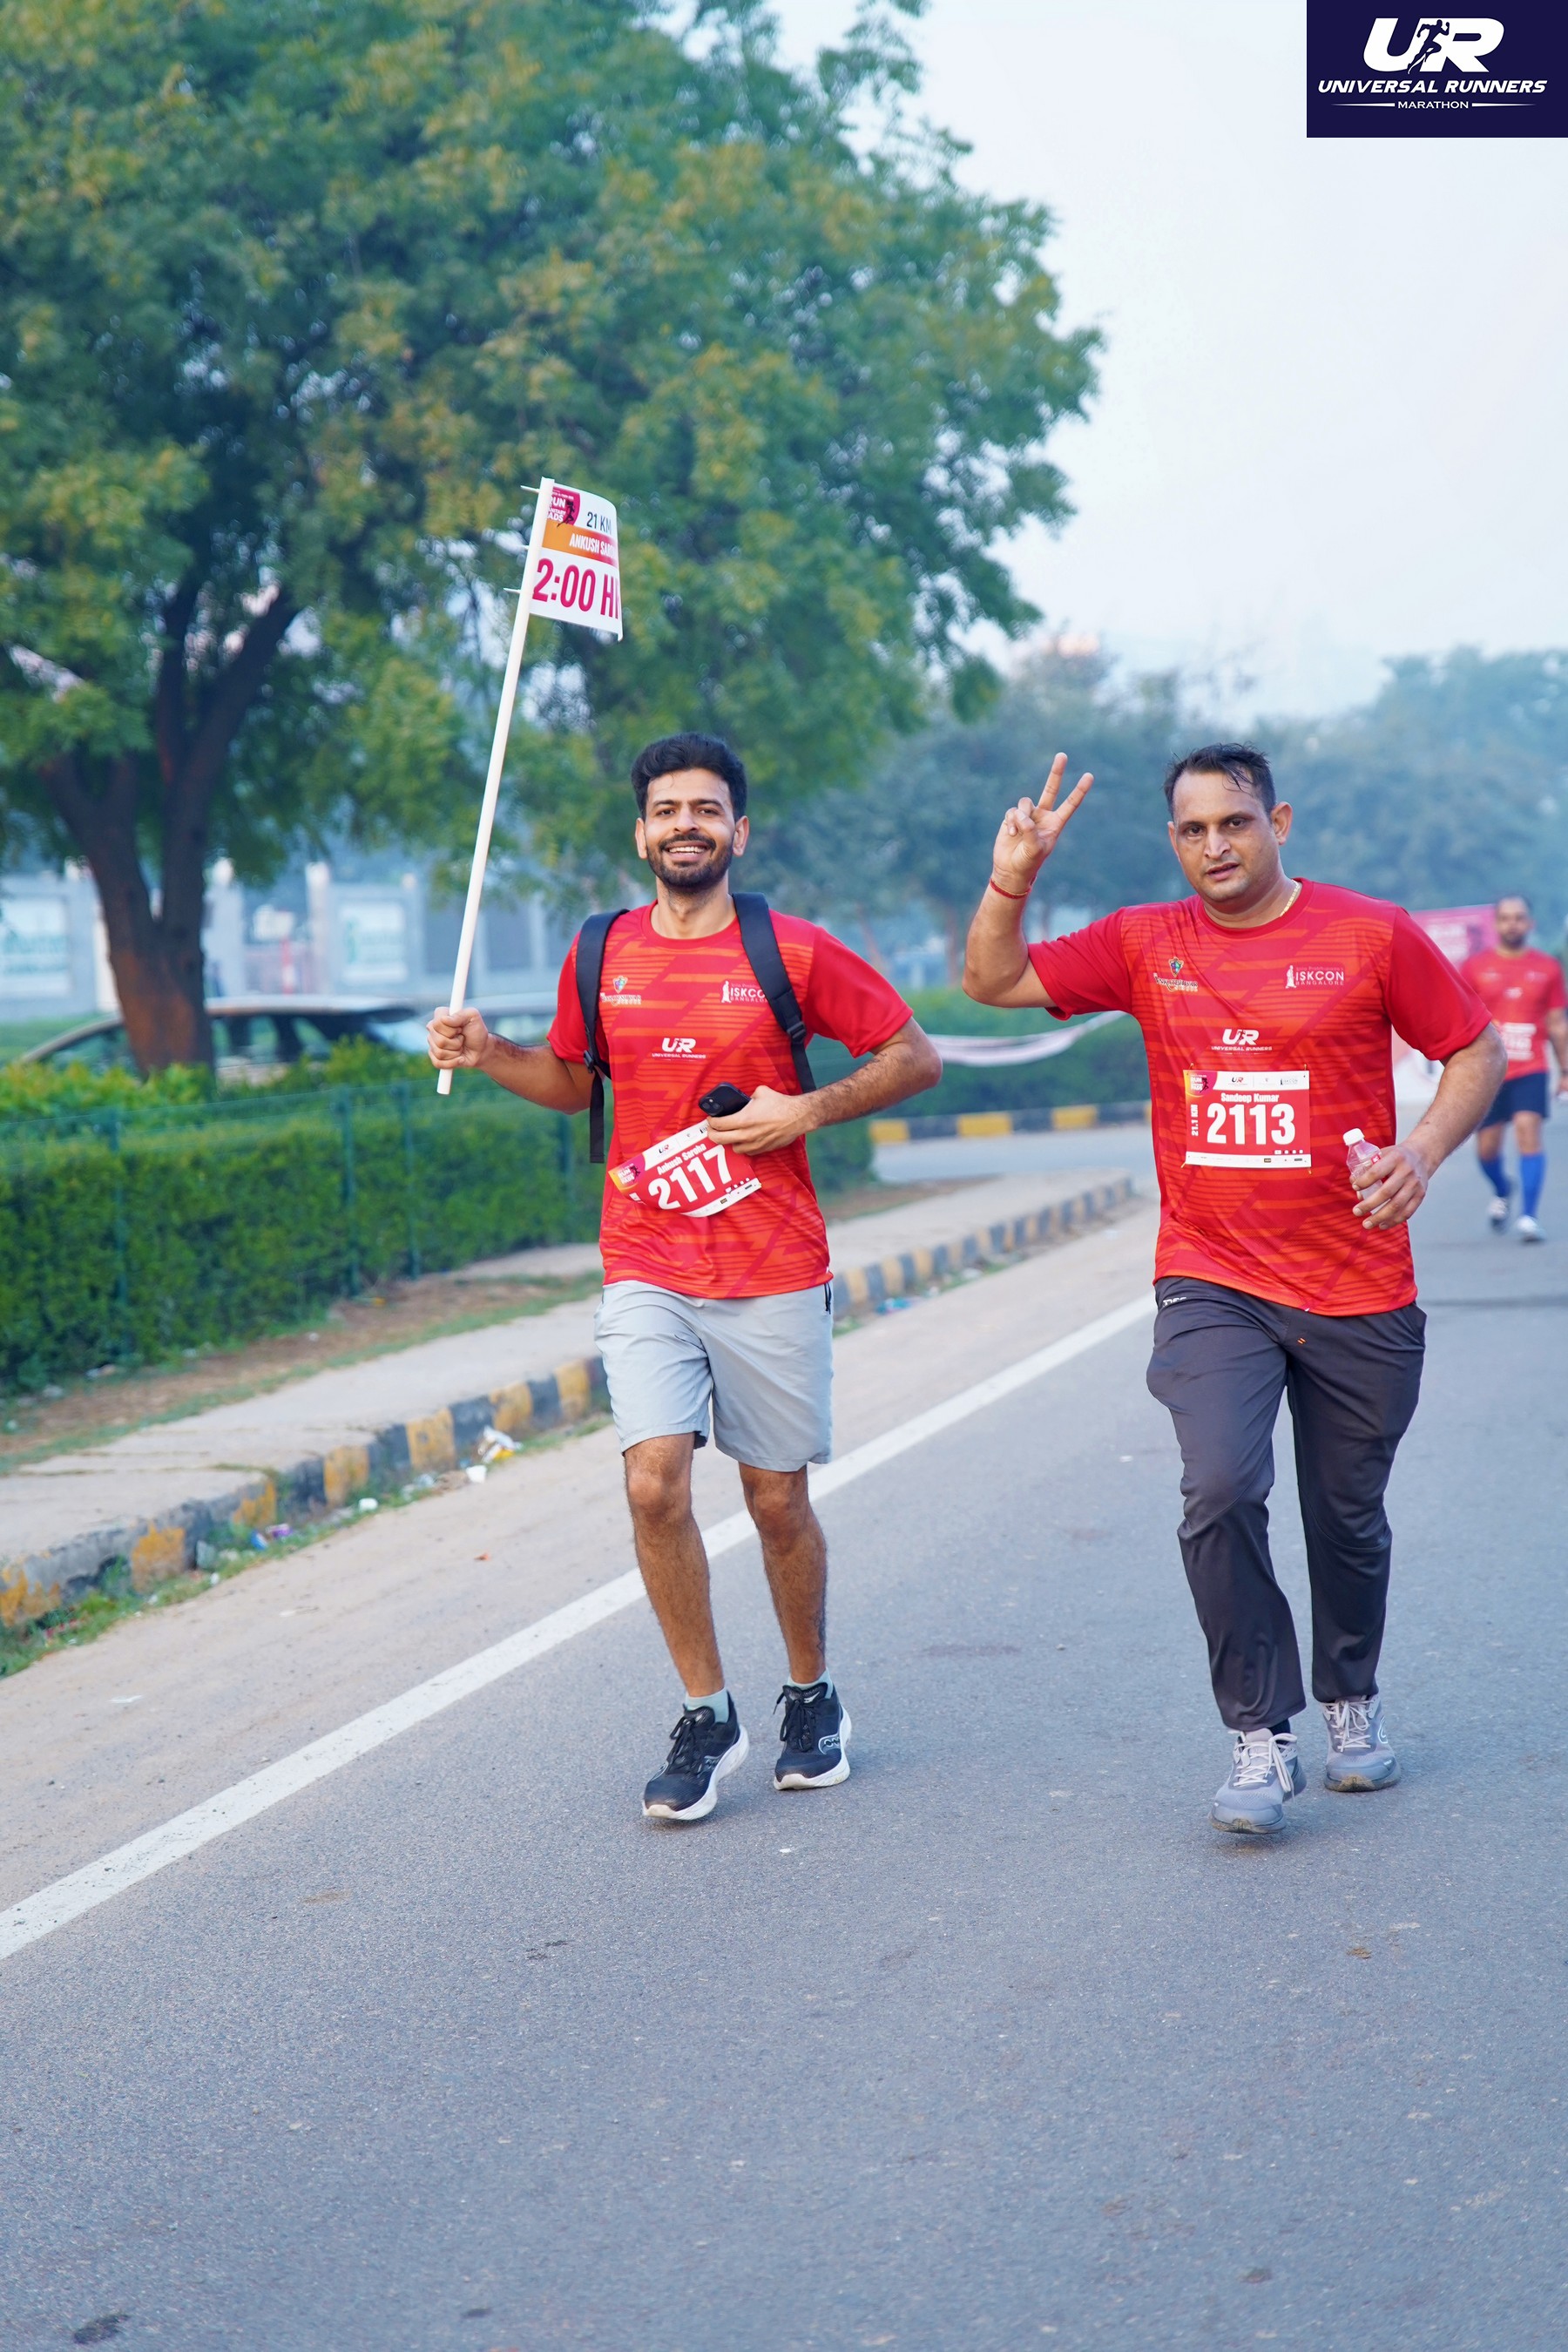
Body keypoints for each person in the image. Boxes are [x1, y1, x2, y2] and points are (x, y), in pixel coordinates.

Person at [963, 742, 1504, 1835]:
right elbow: (993, 981)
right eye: (1194, 830)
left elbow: (1476, 1052)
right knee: (1217, 1487)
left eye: (1236, 823)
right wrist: (1012, 876)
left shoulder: (1369, 934)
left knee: (1345, 1517)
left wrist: (1422, 1153)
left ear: (1279, 822)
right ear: (1175, 841)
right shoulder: (1143, 942)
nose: (1216, 846)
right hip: (1213, 1276)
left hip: (1357, 1280)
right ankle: (1261, 1733)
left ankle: (1350, 1697)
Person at [429, 733, 940, 1823]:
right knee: (653, 1483)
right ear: (641, 833)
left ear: (739, 831)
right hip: (646, 1262)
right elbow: (576, 1084)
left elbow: (914, 1056)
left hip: (772, 1265)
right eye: (667, 811)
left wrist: (805, 1111)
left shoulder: (792, 950)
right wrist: (489, 1052)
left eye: (706, 809)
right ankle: (707, 1715)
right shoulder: (600, 951)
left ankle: (811, 1695)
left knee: (776, 1501)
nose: (686, 826)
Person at [1460, 894, 1568, 1241]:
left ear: (1530, 923)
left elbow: (1557, 1023)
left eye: (1519, 917)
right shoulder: (1474, 968)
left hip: (1531, 1068)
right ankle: (1503, 1189)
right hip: (1488, 1072)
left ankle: (1529, 1217)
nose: (1513, 924)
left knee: (1527, 1130)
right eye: (1506, 918)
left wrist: (1565, 1071)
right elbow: (1461, 1021)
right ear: (1496, 924)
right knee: (1487, 1149)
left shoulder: (1548, 968)